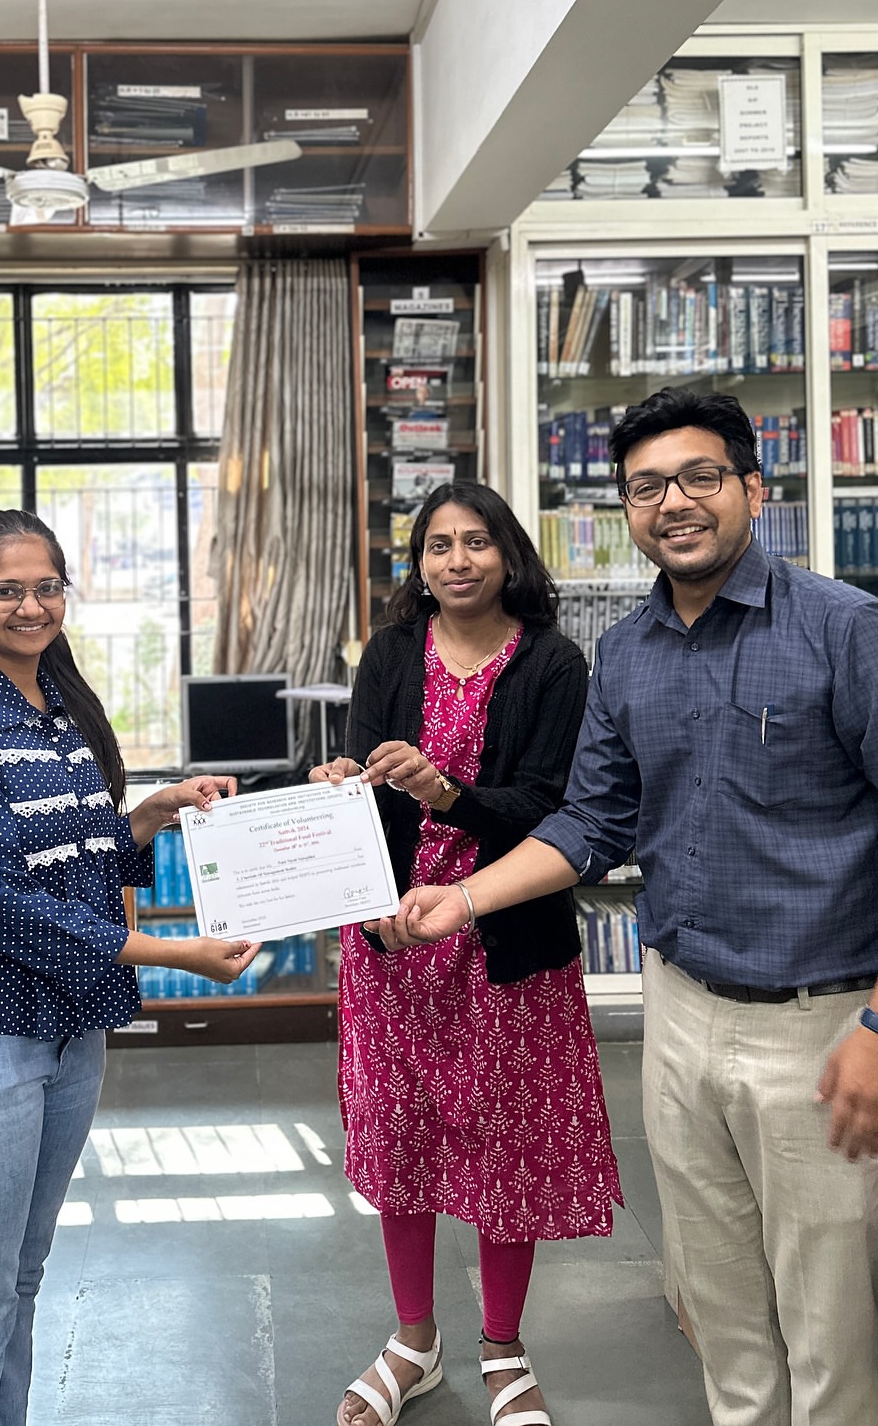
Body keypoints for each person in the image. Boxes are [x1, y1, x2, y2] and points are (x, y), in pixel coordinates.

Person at [378, 390, 878, 1426]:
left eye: (701, 477)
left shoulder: (848, 632)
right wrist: (464, 898)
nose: (675, 503)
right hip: (681, 1012)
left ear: (755, 488)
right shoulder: (627, 652)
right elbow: (592, 821)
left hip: (821, 1023)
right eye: (647, 486)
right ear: (627, 508)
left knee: (831, 1330)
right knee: (721, 1308)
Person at [0, 508, 260, 1426]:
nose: (31, 606)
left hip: (65, 1038)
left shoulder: (63, 708)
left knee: (19, 1282)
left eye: (46, 587)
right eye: (6, 591)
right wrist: (171, 954)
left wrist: (153, 814)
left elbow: (78, 863)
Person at [312, 479, 622, 1426]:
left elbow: (553, 809)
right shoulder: (390, 652)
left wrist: (445, 793)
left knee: (506, 1146)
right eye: (438, 544)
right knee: (400, 1136)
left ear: (508, 553)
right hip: (394, 938)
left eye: (476, 541)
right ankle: (414, 1340)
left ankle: (501, 1346)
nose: (457, 560)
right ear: (419, 564)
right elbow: (363, 795)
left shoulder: (554, 663)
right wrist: (340, 784)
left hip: (503, 938)